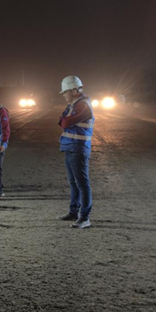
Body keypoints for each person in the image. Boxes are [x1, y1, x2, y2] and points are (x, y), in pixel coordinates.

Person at [57, 75, 94, 229]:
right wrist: (65, 119)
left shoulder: (82, 105)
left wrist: (65, 119)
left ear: (74, 91)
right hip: (70, 147)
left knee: (82, 184)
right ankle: (73, 212)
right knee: (73, 183)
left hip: (78, 148)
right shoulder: (74, 104)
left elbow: (65, 122)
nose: (64, 95)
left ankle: (84, 217)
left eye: (65, 92)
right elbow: (61, 120)